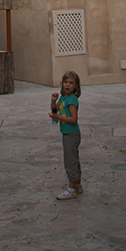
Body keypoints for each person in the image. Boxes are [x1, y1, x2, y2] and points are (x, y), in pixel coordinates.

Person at [50, 70, 82, 200]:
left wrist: (58, 117)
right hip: (66, 134)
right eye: (66, 82)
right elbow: (54, 110)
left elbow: (74, 119)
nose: (67, 85)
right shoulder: (63, 98)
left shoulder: (72, 100)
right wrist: (53, 101)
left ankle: (71, 189)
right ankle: (78, 185)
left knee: (70, 162)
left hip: (72, 135)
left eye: (71, 83)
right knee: (74, 160)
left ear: (76, 86)